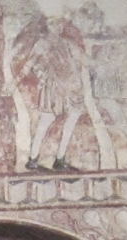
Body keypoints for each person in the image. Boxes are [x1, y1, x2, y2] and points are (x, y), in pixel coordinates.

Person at [10, 16, 92, 172]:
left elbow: (83, 59)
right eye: (54, 24)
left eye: (60, 24)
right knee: (46, 119)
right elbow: (29, 65)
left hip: (71, 87)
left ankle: (60, 159)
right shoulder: (42, 44)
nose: (58, 27)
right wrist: (14, 83)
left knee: (73, 116)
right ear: (48, 26)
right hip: (53, 86)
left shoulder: (67, 44)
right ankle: (33, 159)